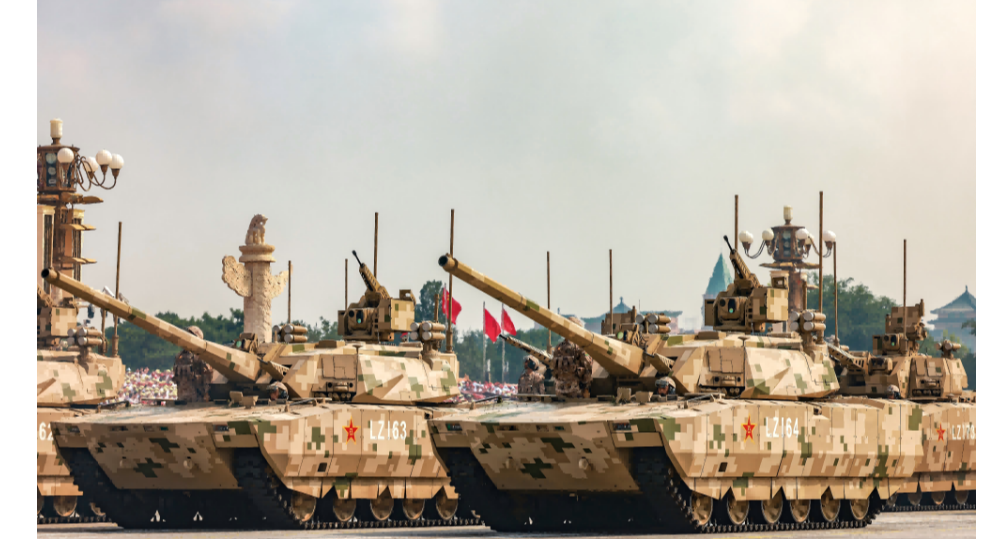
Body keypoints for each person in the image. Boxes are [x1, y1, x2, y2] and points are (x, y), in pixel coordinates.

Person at [551, 317, 593, 398]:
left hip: (561, 391)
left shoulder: (558, 347)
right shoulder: (579, 347)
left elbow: (554, 370)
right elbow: (587, 369)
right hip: (575, 392)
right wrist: (586, 389)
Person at [173, 326, 214, 403]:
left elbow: (208, 378)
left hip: (196, 400)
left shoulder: (200, 357)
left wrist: (207, 396)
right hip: (182, 399)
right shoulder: (179, 357)